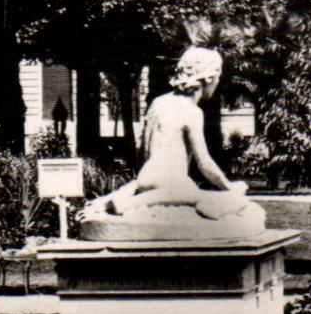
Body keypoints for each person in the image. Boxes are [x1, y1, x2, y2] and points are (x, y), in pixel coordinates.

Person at [79, 46, 246, 222]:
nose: (218, 82)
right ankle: (130, 203)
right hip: (172, 184)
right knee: (234, 199)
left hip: (145, 178)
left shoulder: (158, 103)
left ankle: (113, 200)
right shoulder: (192, 111)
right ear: (208, 78)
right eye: (218, 77)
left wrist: (143, 180)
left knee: (182, 192)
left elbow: (142, 147)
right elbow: (204, 164)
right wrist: (229, 187)